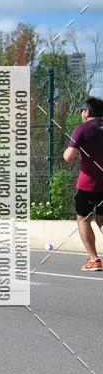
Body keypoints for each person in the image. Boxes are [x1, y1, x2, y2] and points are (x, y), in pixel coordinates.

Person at [63, 96, 103, 270]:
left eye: (81, 111)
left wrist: (69, 149)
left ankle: (94, 259)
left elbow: (69, 157)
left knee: (83, 219)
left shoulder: (81, 129)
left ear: (86, 112)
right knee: (102, 220)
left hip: (88, 185)